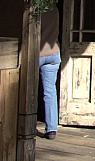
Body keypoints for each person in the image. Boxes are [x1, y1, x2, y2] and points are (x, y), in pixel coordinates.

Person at [39, 8, 61, 140]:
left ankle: (24, 123)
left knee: (26, 88)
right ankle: (51, 128)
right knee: (50, 91)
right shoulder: (54, 9)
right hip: (54, 52)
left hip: (38, 52)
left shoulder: (35, 10)